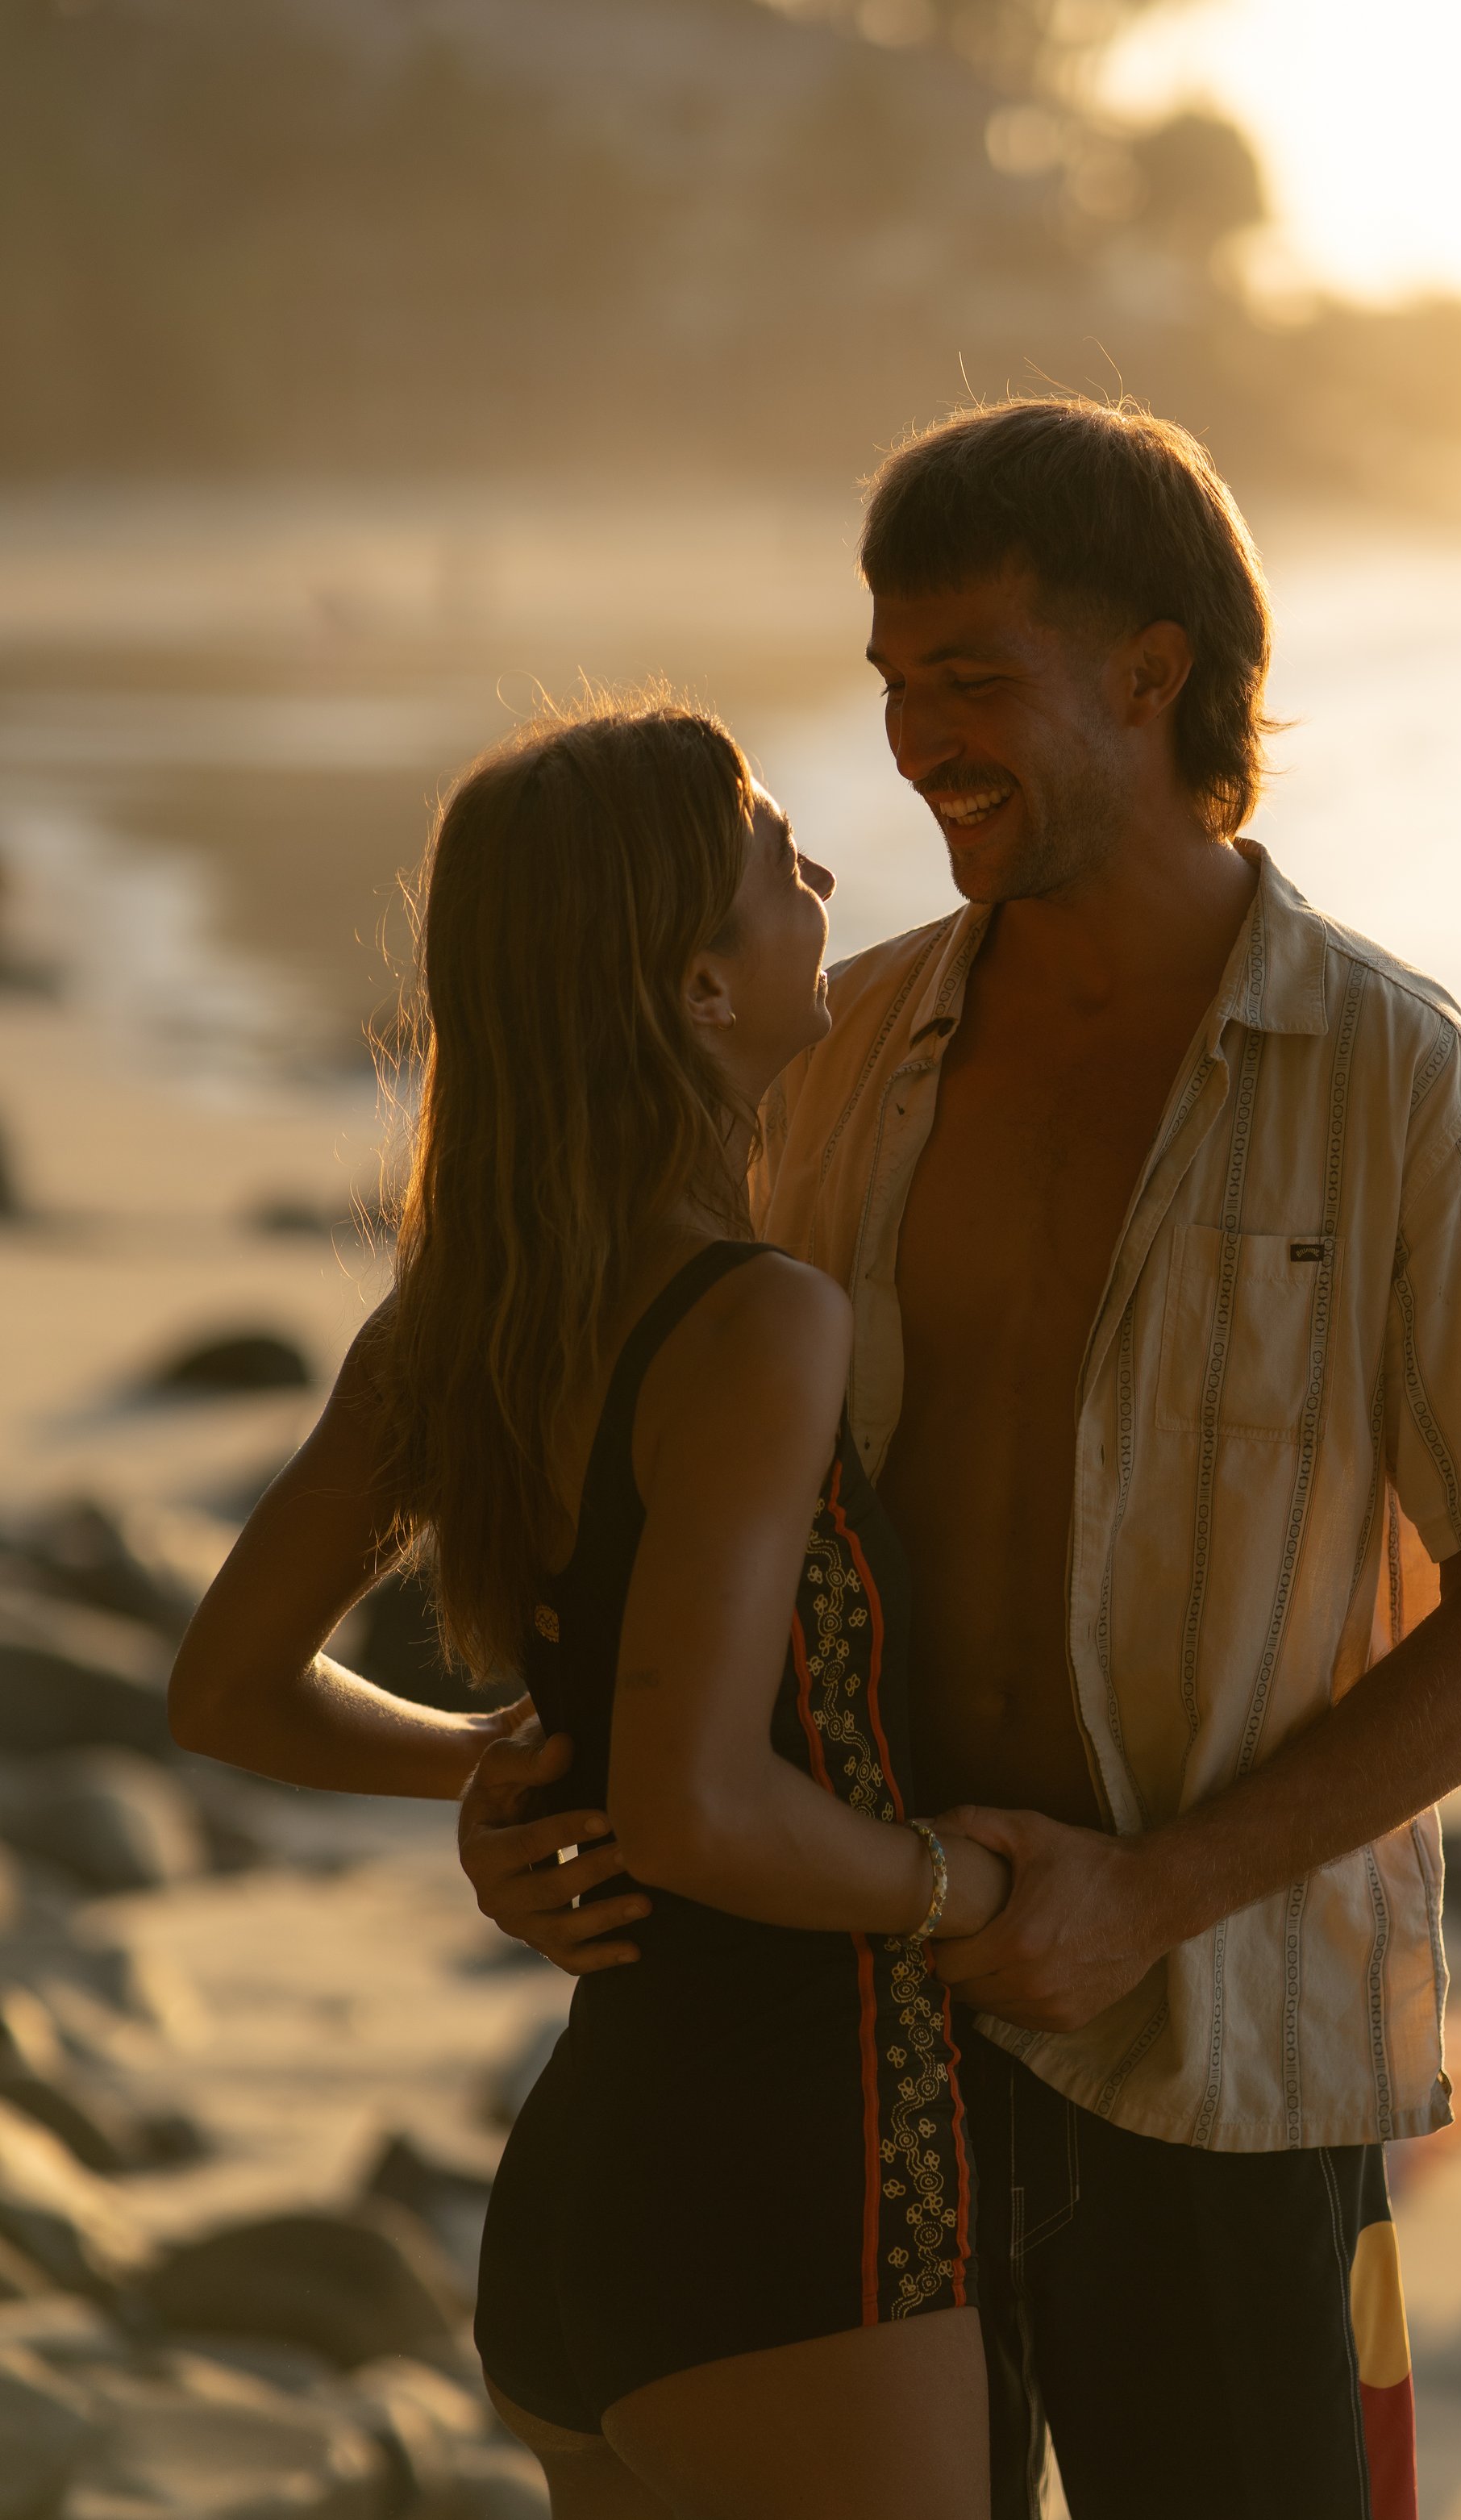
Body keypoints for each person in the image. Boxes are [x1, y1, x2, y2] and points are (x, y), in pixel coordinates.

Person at [460, 399, 1461, 2520]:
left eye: (969, 677)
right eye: (893, 680)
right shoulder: (831, 1056)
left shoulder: (1395, 1088)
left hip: (1229, 2057)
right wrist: (540, 1780)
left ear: (1150, 673)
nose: (913, 740)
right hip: (859, 2044)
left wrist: (1147, 1893)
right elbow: (662, 1472)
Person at [168, 702, 1008, 2520]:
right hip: (794, 2206)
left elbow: (226, 1687)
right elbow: (695, 1806)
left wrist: (502, 1757)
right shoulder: (756, 1321)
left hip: (582, 2218)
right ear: (696, 989)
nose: (823, 875)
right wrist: (970, 1890)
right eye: (775, 856)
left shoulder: (457, 1318)